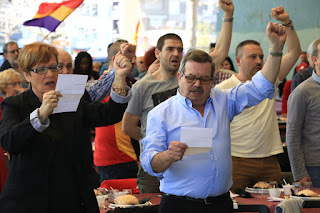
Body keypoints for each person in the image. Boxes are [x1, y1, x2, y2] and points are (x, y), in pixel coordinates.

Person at [141, 21, 286, 212]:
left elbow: (261, 87)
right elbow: (149, 163)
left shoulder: (224, 101)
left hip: (221, 205)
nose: (197, 84)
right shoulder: (161, 113)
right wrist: (167, 156)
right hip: (180, 206)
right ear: (180, 77)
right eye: (191, 77)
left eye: (204, 79)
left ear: (212, 80)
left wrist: (275, 49)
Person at [0, 42, 132, 213]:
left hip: (71, 198)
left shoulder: (70, 99)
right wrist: (41, 114)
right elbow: (10, 141)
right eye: (41, 69)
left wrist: (120, 78)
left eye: (54, 67)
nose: (50, 74)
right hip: (30, 201)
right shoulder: (14, 104)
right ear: (26, 75)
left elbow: (109, 114)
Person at [122, 0, 235, 193]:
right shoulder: (143, 85)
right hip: (156, 162)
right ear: (157, 53)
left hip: (189, 163)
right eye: (170, 49)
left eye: (180, 49)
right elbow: (128, 125)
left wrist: (228, 16)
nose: (176, 53)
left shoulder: (192, 80)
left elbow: (221, 52)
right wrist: (158, 142)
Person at [215, 6, 301, 190]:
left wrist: (287, 23)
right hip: (236, 160)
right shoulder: (223, 89)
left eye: (261, 57)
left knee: (271, 207)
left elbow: (294, 53)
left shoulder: (269, 81)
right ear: (237, 61)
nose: (259, 61)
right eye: (252, 57)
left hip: (269, 160)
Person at [94, 41, 138, 183]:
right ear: (115, 60)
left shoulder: (124, 82)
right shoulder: (106, 86)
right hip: (118, 155)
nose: (133, 63)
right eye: (129, 60)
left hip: (116, 155)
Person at [286, 38, 320, 188]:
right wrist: (299, 173)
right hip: (314, 168)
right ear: (315, 60)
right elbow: (292, 134)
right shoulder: (302, 91)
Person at [0, 68, 25, 194]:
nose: (19, 88)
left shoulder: (22, 105)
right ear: (4, 87)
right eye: (14, 84)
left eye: (20, 83)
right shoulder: (3, 106)